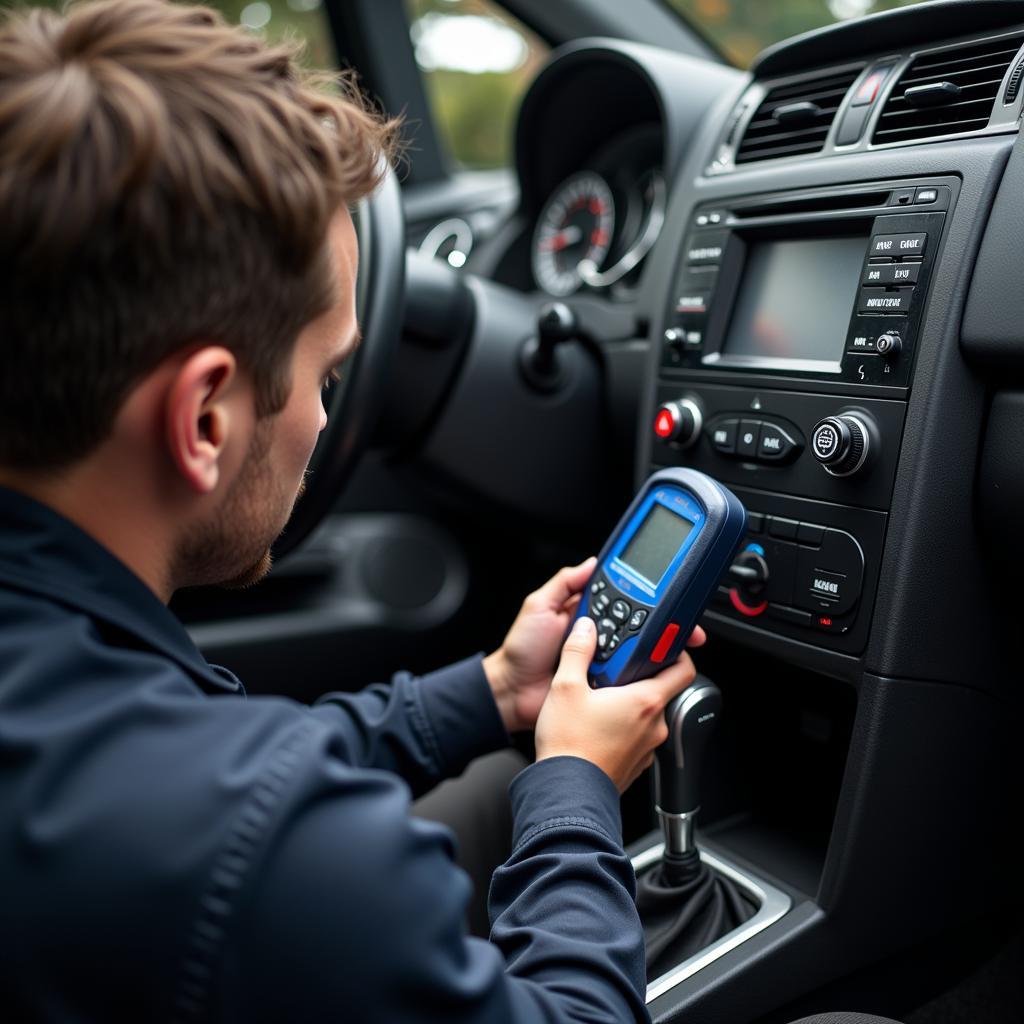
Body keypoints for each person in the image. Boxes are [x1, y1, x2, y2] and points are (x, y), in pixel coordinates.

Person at [0, 1, 704, 1020]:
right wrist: (576, 785)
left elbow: (213, 779)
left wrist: (495, 687)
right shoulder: (265, 856)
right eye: (329, 375)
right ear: (202, 417)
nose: (331, 418)